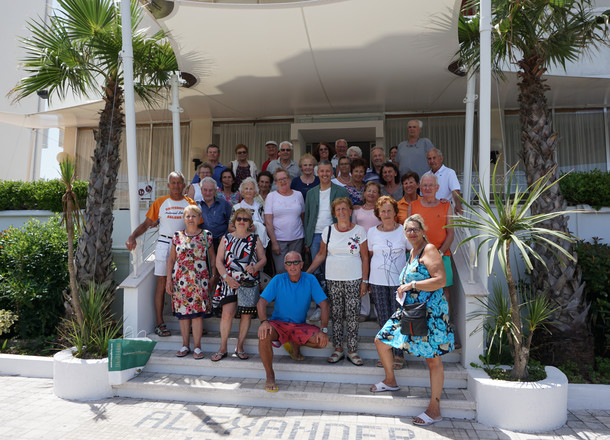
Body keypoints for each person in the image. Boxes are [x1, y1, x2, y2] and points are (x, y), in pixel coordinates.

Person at [371, 214, 455, 428]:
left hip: (430, 314)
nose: (411, 233)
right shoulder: (412, 252)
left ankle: (434, 410)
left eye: (415, 229)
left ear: (423, 230)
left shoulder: (429, 250)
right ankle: (390, 380)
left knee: (433, 360)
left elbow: (441, 280)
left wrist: (412, 286)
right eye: (408, 230)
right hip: (410, 310)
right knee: (381, 340)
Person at [125, 172, 195, 337]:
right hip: (164, 244)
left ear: (184, 185)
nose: (176, 186)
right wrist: (132, 236)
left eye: (179, 183)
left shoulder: (190, 203)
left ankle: (190, 322)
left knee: (186, 283)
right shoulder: (160, 202)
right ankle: (159, 323)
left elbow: (197, 225)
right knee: (162, 283)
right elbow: (147, 224)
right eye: (173, 183)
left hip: (185, 244)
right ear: (168, 185)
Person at [307, 197, 369, 366]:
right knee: (336, 315)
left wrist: (365, 281)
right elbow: (321, 255)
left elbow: (364, 257)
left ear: (350, 211)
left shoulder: (360, 231)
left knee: (352, 316)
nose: (341, 212)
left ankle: (352, 350)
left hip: (354, 279)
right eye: (338, 210)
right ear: (334, 213)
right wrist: (307, 272)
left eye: (344, 209)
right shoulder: (328, 231)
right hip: (333, 279)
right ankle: (338, 349)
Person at [257, 251, 330, 392]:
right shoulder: (278, 279)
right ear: (285, 265)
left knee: (321, 342)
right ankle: (270, 375)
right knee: (264, 334)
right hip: (278, 324)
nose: (292, 266)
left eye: (296, 262)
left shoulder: (310, 279)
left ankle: (293, 343)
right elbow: (261, 302)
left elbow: (324, 304)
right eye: (289, 263)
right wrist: (264, 322)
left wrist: (324, 329)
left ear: (302, 264)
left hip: (299, 325)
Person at [213, 208, 266, 361]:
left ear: (250, 223)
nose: (242, 221)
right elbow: (218, 261)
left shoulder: (255, 239)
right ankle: (223, 347)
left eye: (245, 219)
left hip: (248, 282)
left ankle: (240, 346)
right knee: (227, 313)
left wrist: (255, 267)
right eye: (239, 219)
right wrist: (226, 278)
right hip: (229, 282)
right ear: (234, 221)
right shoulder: (226, 238)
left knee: (246, 316)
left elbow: (263, 259)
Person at [165, 205, 215, 359]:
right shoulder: (177, 236)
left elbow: (212, 259)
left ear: (199, 218)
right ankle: (185, 345)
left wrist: (213, 277)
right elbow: (172, 259)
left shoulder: (206, 235)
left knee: (197, 315)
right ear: (184, 218)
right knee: (183, 314)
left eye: (194, 216)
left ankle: (198, 347)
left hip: (200, 280)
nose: (191, 219)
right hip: (181, 281)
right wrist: (168, 280)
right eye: (188, 216)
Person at [367, 196, 410, 369]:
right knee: (383, 319)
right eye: (383, 211)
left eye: (389, 210)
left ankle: (399, 355)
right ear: (378, 213)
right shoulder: (371, 232)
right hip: (377, 282)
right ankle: (387, 354)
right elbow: (371, 256)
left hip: (398, 283)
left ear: (395, 212)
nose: (386, 214)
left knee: (398, 318)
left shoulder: (403, 231)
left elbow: (412, 252)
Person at [408, 173, 454, 307]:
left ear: (437, 187)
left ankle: (444, 326)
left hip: (442, 255)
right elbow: (409, 232)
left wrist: (439, 253)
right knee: (417, 290)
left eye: (431, 185)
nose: (428, 188)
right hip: (418, 257)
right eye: (425, 186)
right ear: (420, 188)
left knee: (444, 290)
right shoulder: (413, 206)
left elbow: (451, 233)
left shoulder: (445, 206)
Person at [303, 160, 349, 293]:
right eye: (322, 171)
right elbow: (307, 217)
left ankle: (334, 300)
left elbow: (347, 214)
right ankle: (320, 305)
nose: (325, 174)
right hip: (316, 235)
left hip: (335, 234)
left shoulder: (341, 191)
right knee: (317, 271)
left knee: (333, 268)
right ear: (317, 173)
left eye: (327, 171)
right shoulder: (311, 193)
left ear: (333, 172)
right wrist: (307, 240)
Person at [264, 168, 305, 274]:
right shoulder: (271, 196)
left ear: (289, 179)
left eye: (285, 178)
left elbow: (303, 216)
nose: (283, 181)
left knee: (295, 270)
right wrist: (274, 242)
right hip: (279, 240)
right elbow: (268, 221)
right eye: (279, 179)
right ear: (276, 182)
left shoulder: (298, 195)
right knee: (281, 270)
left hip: (297, 239)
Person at [351, 181, 381, 323]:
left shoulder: (381, 211)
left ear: (379, 195)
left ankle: (378, 311)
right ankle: (364, 310)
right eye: (369, 191)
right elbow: (353, 230)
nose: (371, 194)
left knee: (376, 281)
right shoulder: (357, 210)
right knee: (363, 280)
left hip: (377, 250)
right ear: (364, 193)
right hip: (361, 250)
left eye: (374, 191)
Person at [230, 177, 269, 248]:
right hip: (241, 243)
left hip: (259, 243)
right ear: (242, 192)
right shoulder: (236, 208)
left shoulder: (260, 207)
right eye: (246, 188)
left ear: (255, 192)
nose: (248, 191)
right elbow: (230, 228)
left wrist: (257, 227)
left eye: (251, 189)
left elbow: (265, 224)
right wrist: (246, 228)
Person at [198, 177, 233, 252]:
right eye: (205, 190)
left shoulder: (224, 205)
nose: (208, 193)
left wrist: (225, 236)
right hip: (202, 243)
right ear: (201, 190)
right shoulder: (196, 205)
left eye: (211, 190)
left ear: (215, 191)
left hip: (221, 242)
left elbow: (231, 222)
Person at [427, 148, 463, 215]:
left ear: (441, 159)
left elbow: (455, 192)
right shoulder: (426, 175)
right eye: (429, 158)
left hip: (444, 210)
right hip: (428, 210)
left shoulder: (449, 173)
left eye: (434, 158)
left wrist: (458, 205)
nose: (432, 161)